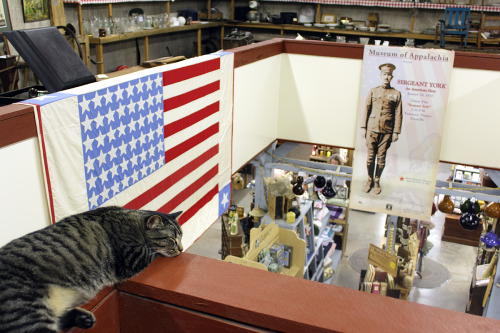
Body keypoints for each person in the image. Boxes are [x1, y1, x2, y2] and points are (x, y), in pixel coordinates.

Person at [361, 63, 402, 195]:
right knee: (370, 158)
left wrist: (396, 131)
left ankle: (377, 180)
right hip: (372, 129)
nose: (386, 77)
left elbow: (398, 113)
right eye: (384, 74)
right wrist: (363, 127)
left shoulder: (396, 94)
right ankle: (369, 179)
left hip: (386, 131)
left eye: (389, 75)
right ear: (380, 75)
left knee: (381, 159)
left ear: (392, 77)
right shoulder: (373, 91)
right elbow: (366, 109)